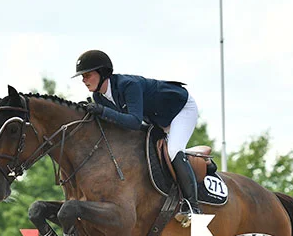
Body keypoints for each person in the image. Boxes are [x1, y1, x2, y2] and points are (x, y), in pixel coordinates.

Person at [73, 49, 203, 217]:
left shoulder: (128, 85)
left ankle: (193, 207)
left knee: (173, 150)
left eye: (87, 75)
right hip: (156, 119)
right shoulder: (99, 97)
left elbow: (134, 121)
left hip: (180, 110)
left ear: (102, 73)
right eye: (82, 76)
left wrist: (103, 111)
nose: (84, 80)